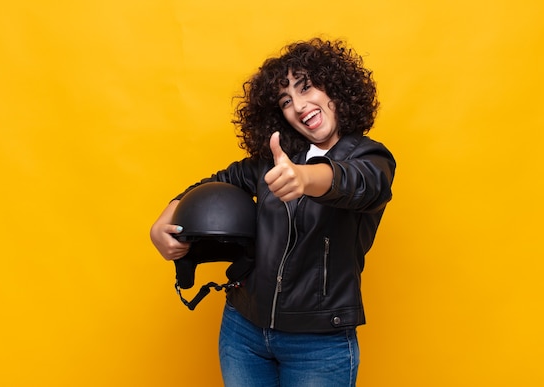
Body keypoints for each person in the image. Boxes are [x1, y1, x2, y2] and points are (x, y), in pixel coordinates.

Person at [150, 37, 396, 387]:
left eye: (306, 88)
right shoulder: (274, 160)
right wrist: (166, 218)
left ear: (335, 88)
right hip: (243, 330)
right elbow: (216, 182)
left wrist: (304, 178)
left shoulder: (372, 158)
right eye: (285, 101)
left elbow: (358, 183)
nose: (298, 105)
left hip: (319, 345)